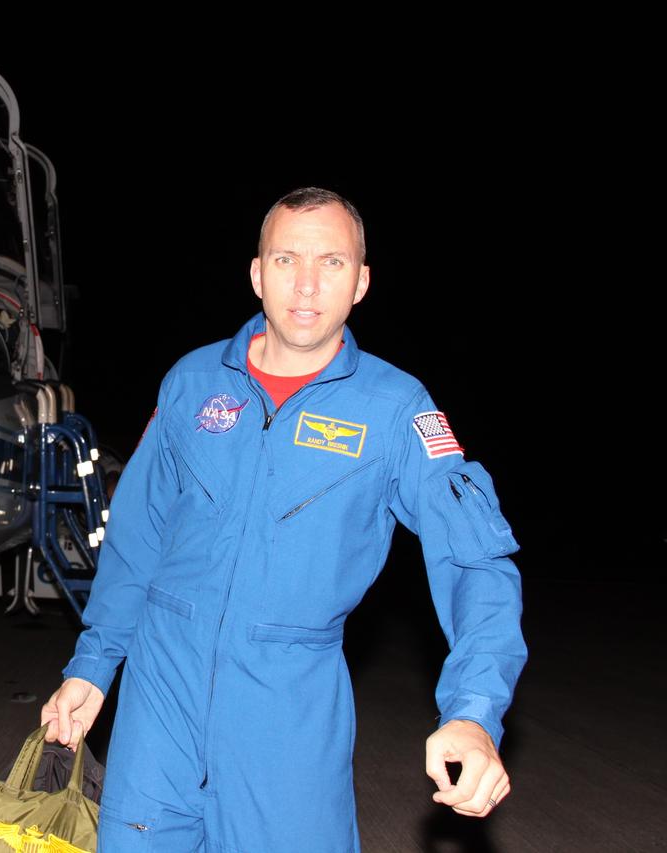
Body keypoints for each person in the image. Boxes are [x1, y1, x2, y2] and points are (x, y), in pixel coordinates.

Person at [41, 188, 525, 852]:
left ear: (361, 282)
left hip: (288, 717)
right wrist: (93, 665)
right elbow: (137, 538)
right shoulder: (191, 383)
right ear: (257, 273)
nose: (306, 284)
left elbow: (475, 560)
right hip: (159, 707)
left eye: (331, 262)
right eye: (286, 258)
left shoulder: (394, 407)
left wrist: (473, 712)